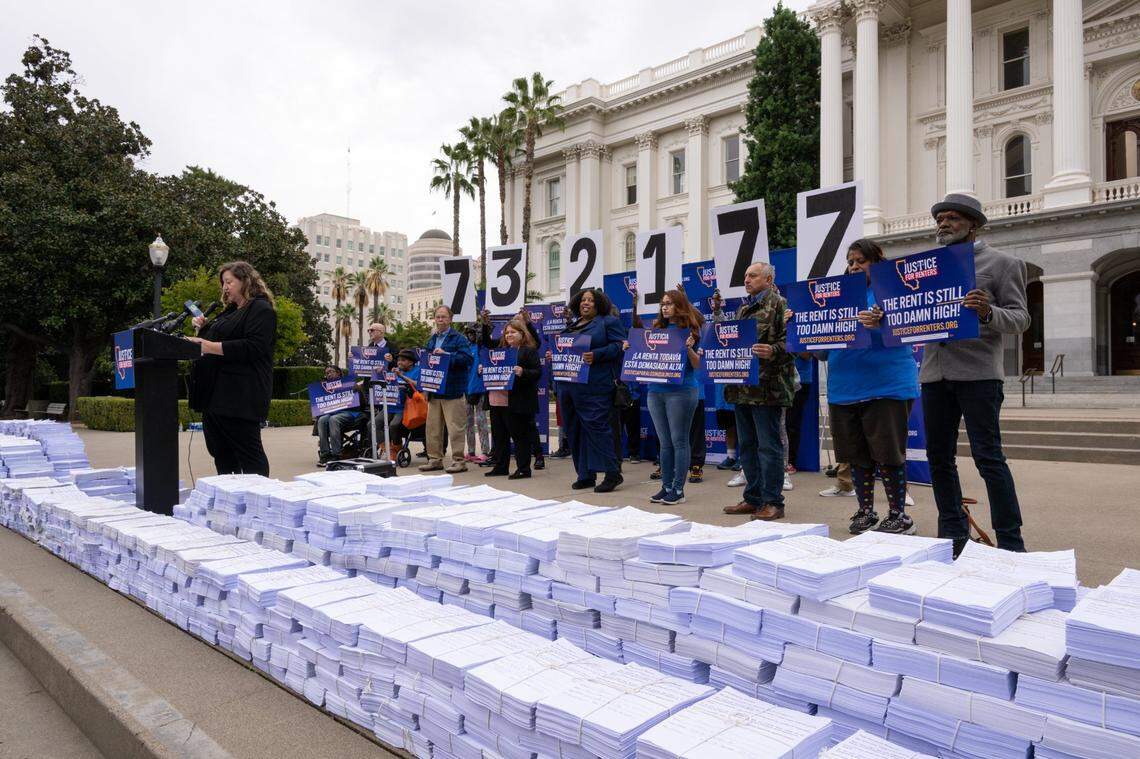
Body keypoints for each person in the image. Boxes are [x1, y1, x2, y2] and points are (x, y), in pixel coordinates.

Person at [923, 194, 1030, 555]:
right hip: (934, 374)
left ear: (973, 224)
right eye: (940, 218)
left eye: (952, 218)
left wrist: (987, 313)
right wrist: (885, 319)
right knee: (938, 458)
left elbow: (1020, 318)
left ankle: (1011, 541)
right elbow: (914, 318)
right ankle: (953, 535)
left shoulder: (1003, 263)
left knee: (989, 458)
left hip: (979, 374)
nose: (944, 224)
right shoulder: (927, 268)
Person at [796, 239, 921, 535]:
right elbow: (823, 352)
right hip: (844, 389)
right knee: (857, 457)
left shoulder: (893, 290)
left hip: (886, 387)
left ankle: (898, 515)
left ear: (877, 262)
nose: (853, 267)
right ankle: (866, 511)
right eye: (851, 262)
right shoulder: (839, 298)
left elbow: (912, 328)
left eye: (860, 261)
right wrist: (803, 332)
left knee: (888, 456)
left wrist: (882, 324)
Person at [188, 261, 277, 476]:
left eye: (229, 282)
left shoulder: (261, 309)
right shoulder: (229, 312)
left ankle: (260, 499)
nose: (225, 287)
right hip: (215, 396)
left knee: (249, 453)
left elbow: (254, 346)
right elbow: (213, 342)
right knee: (221, 452)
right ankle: (230, 498)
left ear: (245, 281)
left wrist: (207, 345)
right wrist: (203, 329)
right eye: (223, 283)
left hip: (240, 396)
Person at [722, 262, 796, 521]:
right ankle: (752, 499)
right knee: (749, 446)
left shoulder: (780, 304)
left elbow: (795, 340)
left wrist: (774, 350)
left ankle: (773, 502)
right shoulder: (743, 308)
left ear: (768, 278)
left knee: (769, 446)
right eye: (745, 275)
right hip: (742, 389)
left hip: (769, 389)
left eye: (752, 275)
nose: (747, 279)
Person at [553, 287, 627, 493]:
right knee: (574, 430)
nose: (585, 303)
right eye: (582, 300)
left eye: (590, 300)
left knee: (597, 428)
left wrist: (597, 354)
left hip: (595, 386)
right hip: (568, 386)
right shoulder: (573, 325)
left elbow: (621, 346)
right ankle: (585, 475)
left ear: (599, 304)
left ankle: (613, 473)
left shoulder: (607, 322)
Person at [639, 289, 704, 505]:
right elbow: (646, 356)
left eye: (669, 303)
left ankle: (678, 490)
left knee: (679, 440)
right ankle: (666, 486)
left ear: (679, 305)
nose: (664, 307)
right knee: (665, 442)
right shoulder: (657, 329)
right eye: (662, 304)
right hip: (656, 391)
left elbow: (698, 366)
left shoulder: (691, 330)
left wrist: (689, 350)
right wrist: (631, 348)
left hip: (682, 391)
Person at [484, 319, 542, 479]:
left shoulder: (528, 351)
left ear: (522, 334)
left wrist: (523, 372)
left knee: (519, 436)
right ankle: (501, 466)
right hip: (496, 400)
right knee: (499, 436)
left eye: (513, 332)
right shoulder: (499, 350)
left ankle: (523, 468)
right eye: (507, 332)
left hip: (517, 401)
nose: (509, 335)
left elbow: (537, 372)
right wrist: (483, 369)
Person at [419, 305, 474, 474]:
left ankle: (459, 461)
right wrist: (424, 387)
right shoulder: (431, 339)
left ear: (450, 319)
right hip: (435, 390)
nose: (440, 319)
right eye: (437, 317)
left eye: (443, 317)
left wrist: (447, 355)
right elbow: (426, 363)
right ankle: (435, 459)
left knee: (455, 427)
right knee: (433, 428)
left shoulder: (459, 338)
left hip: (453, 390)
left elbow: (467, 359)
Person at [314, 365, 362, 464]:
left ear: (338, 373)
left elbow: (361, 401)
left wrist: (354, 388)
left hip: (350, 413)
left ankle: (337, 454)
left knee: (333, 419)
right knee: (322, 420)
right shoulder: (325, 387)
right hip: (333, 412)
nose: (329, 374)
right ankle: (325, 454)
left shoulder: (348, 383)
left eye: (331, 371)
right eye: (327, 373)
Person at [384, 349, 421, 458]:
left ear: (410, 362)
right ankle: (390, 450)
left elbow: (419, 385)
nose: (399, 362)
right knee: (374, 423)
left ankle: (398, 450)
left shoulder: (417, 370)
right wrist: (382, 372)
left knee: (394, 425)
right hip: (392, 405)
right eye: (398, 360)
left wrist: (401, 376)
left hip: (407, 406)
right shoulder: (395, 370)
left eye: (403, 360)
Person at [464, 323, 491, 464]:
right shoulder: (466, 349)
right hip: (467, 389)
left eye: (473, 333)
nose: (471, 336)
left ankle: (485, 451)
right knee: (468, 423)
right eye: (469, 333)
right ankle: (471, 451)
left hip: (480, 388)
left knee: (481, 421)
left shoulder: (484, 349)